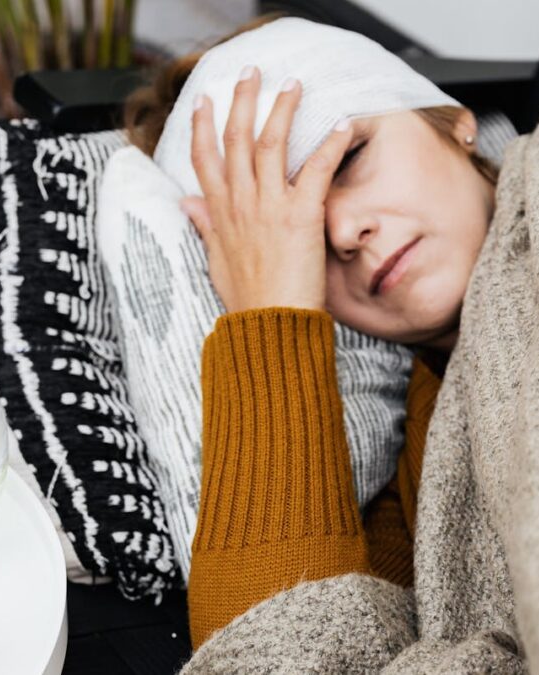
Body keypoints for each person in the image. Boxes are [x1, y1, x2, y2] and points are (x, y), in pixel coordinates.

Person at [123, 15, 500, 649]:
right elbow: (273, 655)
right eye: (292, 238)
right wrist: (269, 316)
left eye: (348, 157)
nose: (344, 232)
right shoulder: (419, 494)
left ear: (451, 119)